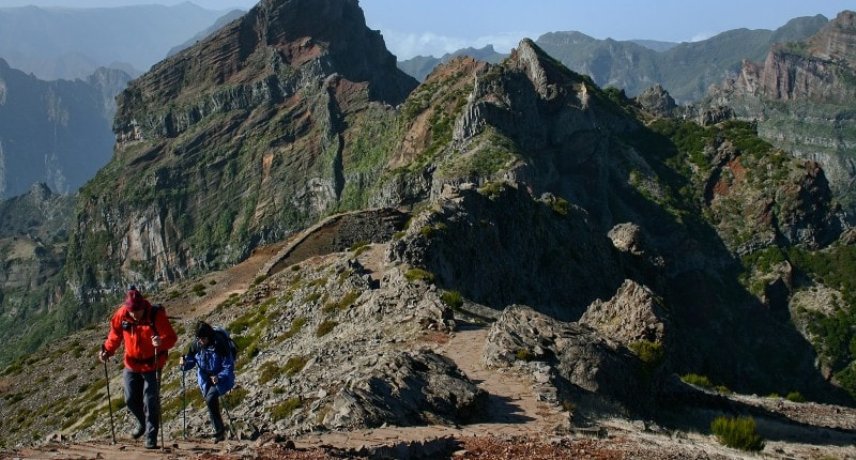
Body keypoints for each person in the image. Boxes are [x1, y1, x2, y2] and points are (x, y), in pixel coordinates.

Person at [99, 286, 177, 449]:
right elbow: (115, 335)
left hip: (153, 363)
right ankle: (142, 422)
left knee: (150, 400)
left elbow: (171, 337)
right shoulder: (122, 315)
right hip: (132, 363)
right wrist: (107, 350)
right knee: (130, 399)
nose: (134, 314)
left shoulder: (155, 315)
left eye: (137, 311)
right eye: (132, 311)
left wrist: (161, 342)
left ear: (143, 306)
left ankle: (151, 437)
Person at [180, 321, 235, 441]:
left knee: (210, 398)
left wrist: (219, 377)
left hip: (223, 378)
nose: (200, 341)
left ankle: (219, 431)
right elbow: (190, 362)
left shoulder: (220, 344)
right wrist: (184, 364)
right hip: (205, 379)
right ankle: (219, 432)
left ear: (209, 337)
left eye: (203, 338)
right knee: (211, 402)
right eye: (198, 338)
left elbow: (228, 366)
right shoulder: (196, 346)